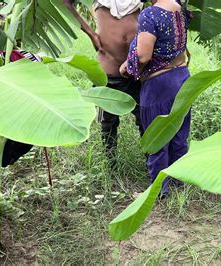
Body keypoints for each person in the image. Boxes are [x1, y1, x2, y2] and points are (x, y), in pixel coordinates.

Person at [121, 0, 192, 196]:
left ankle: (159, 189)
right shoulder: (180, 10)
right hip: (183, 77)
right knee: (178, 134)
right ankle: (179, 182)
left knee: (157, 136)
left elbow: (143, 56)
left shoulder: (150, 14)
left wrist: (128, 66)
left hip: (160, 84)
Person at [63, 0, 145, 166]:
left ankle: (151, 160)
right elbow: (65, 3)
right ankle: (110, 162)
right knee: (108, 122)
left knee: (145, 118)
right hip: (108, 71)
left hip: (137, 70)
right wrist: (90, 33)